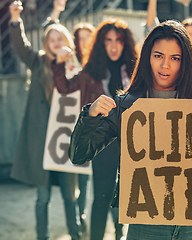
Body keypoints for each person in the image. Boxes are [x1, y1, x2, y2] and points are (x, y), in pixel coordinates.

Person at [67, 20, 192, 240]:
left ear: (185, 63)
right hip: (145, 226)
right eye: (158, 56)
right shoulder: (126, 106)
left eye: (175, 58)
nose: (165, 65)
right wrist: (89, 115)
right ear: (147, 57)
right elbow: (79, 155)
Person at [52, 18, 138, 240]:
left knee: (131, 197)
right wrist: (59, 64)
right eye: (108, 40)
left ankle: (120, 234)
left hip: (135, 140)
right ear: (101, 43)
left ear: (125, 43)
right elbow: (64, 87)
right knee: (102, 197)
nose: (113, 46)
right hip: (104, 142)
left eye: (118, 40)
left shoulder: (137, 70)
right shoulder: (91, 72)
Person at [9, 1, 81, 240]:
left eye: (60, 39)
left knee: (71, 196)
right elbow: (20, 47)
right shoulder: (38, 62)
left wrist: (69, 64)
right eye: (52, 41)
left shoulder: (74, 67)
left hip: (64, 141)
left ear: (66, 42)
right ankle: (43, 236)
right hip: (42, 142)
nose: (56, 43)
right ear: (46, 45)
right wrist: (15, 20)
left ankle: (76, 234)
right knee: (43, 197)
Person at [72, 21, 96, 236]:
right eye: (81, 37)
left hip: (92, 127)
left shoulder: (97, 65)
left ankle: (85, 217)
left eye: (89, 36)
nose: (85, 41)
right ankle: (78, 220)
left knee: (87, 178)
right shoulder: (69, 63)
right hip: (68, 127)